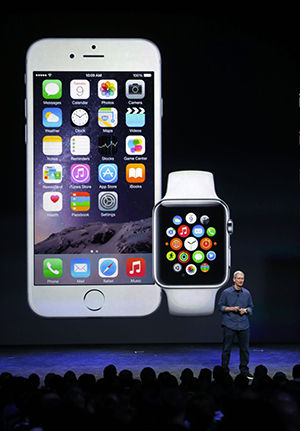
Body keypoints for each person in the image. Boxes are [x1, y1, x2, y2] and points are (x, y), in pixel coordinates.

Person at [218, 270, 254, 378]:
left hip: (243, 325)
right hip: (230, 324)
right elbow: (220, 307)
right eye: (238, 278)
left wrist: (246, 310)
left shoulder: (247, 293)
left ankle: (244, 370)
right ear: (234, 279)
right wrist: (231, 308)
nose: (241, 280)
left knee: (245, 349)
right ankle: (224, 370)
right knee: (226, 348)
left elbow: (251, 307)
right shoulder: (226, 292)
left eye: (242, 278)